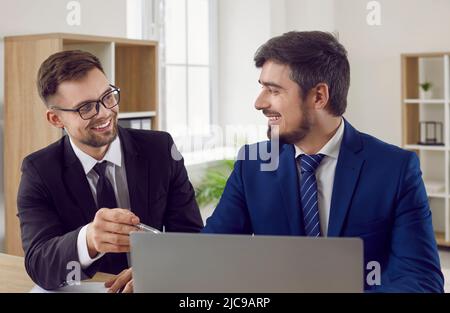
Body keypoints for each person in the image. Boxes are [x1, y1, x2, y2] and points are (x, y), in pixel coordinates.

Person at [202, 31, 444, 292]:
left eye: (273, 90)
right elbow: (211, 255)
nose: (259, 103)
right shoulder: (252, 165)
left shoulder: (395, 169)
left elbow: (421, 279)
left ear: (319, 96)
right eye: (262, 87)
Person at [17, 50, 203, 291]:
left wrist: (159, 269)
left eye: (108, 96)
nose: (104, 112)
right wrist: (89, 240)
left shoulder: (160, 149)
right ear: (55, 119)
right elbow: (39, 263)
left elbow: (190, 235)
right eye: (86, 108)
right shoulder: (39, 170)